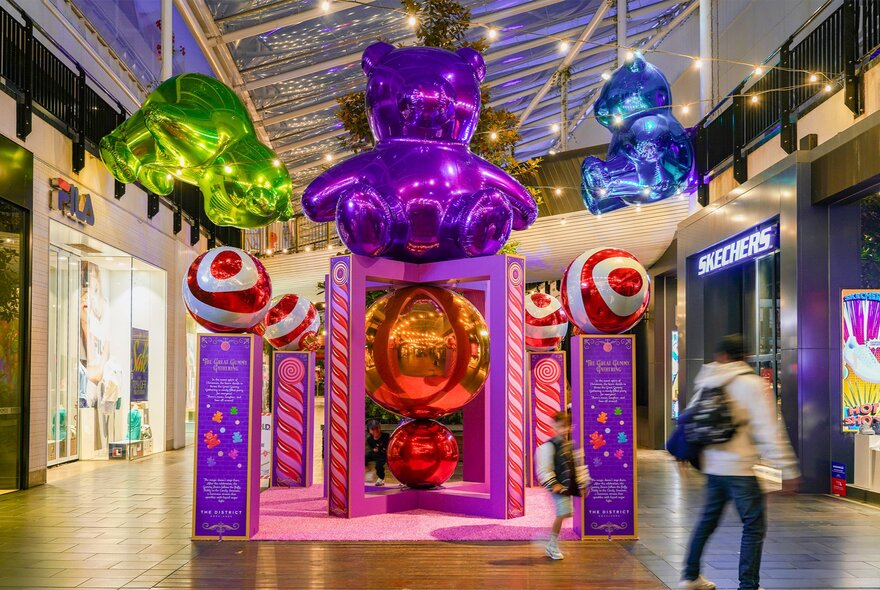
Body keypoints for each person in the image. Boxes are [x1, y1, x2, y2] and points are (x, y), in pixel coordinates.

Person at [680, 334, 801, 590]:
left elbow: (691, 418)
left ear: (721, 356)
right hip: (740, 469)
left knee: (706, 522)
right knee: (753, 526)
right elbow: (768, 430)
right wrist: (787, 468)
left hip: (713, 467)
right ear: (744, 357)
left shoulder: (707, 381)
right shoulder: (752, 384)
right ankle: (748, 585)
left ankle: (689, 577)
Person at [536, 411, 589, 560]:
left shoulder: (570, 446)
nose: (563, 430)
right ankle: (552, 545)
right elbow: (544, 468)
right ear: (554, 426)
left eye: (565, 427)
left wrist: (582, 483)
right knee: (562, 513)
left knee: (566, 513)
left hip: (566, 487)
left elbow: (578, 465)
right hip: (557, 486)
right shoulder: (548, 446)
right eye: (560, 426)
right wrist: (553, 484)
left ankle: (550, 542)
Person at [365, 419, 390, 486]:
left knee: (378, 465)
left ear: (380, 428)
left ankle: (381, 478)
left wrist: (380, 449)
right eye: (372, 429)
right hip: (376, 453)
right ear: (369, 431)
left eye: (377, 428)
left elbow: (387, 447)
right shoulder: (369, 439)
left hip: (384, 455)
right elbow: (372, 448)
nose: (375, 431)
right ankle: (368, 471)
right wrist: (374, 450)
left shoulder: (386, 436)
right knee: (365, 457)